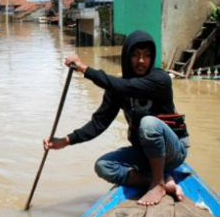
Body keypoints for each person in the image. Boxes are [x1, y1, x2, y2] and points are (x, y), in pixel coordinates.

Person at [44, 31, 190, 207]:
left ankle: (158, 185)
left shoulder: (160, 80)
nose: (141, 61)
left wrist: (85, 69)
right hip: (144, 152)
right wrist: (65, 141)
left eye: (146, 55)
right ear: (126, 57)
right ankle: (160, 181)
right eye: (135, 55)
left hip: (173, 152)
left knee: (148, 123)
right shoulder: (118, 88)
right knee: (103, 166)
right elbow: (99, 123)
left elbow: (124, 86)